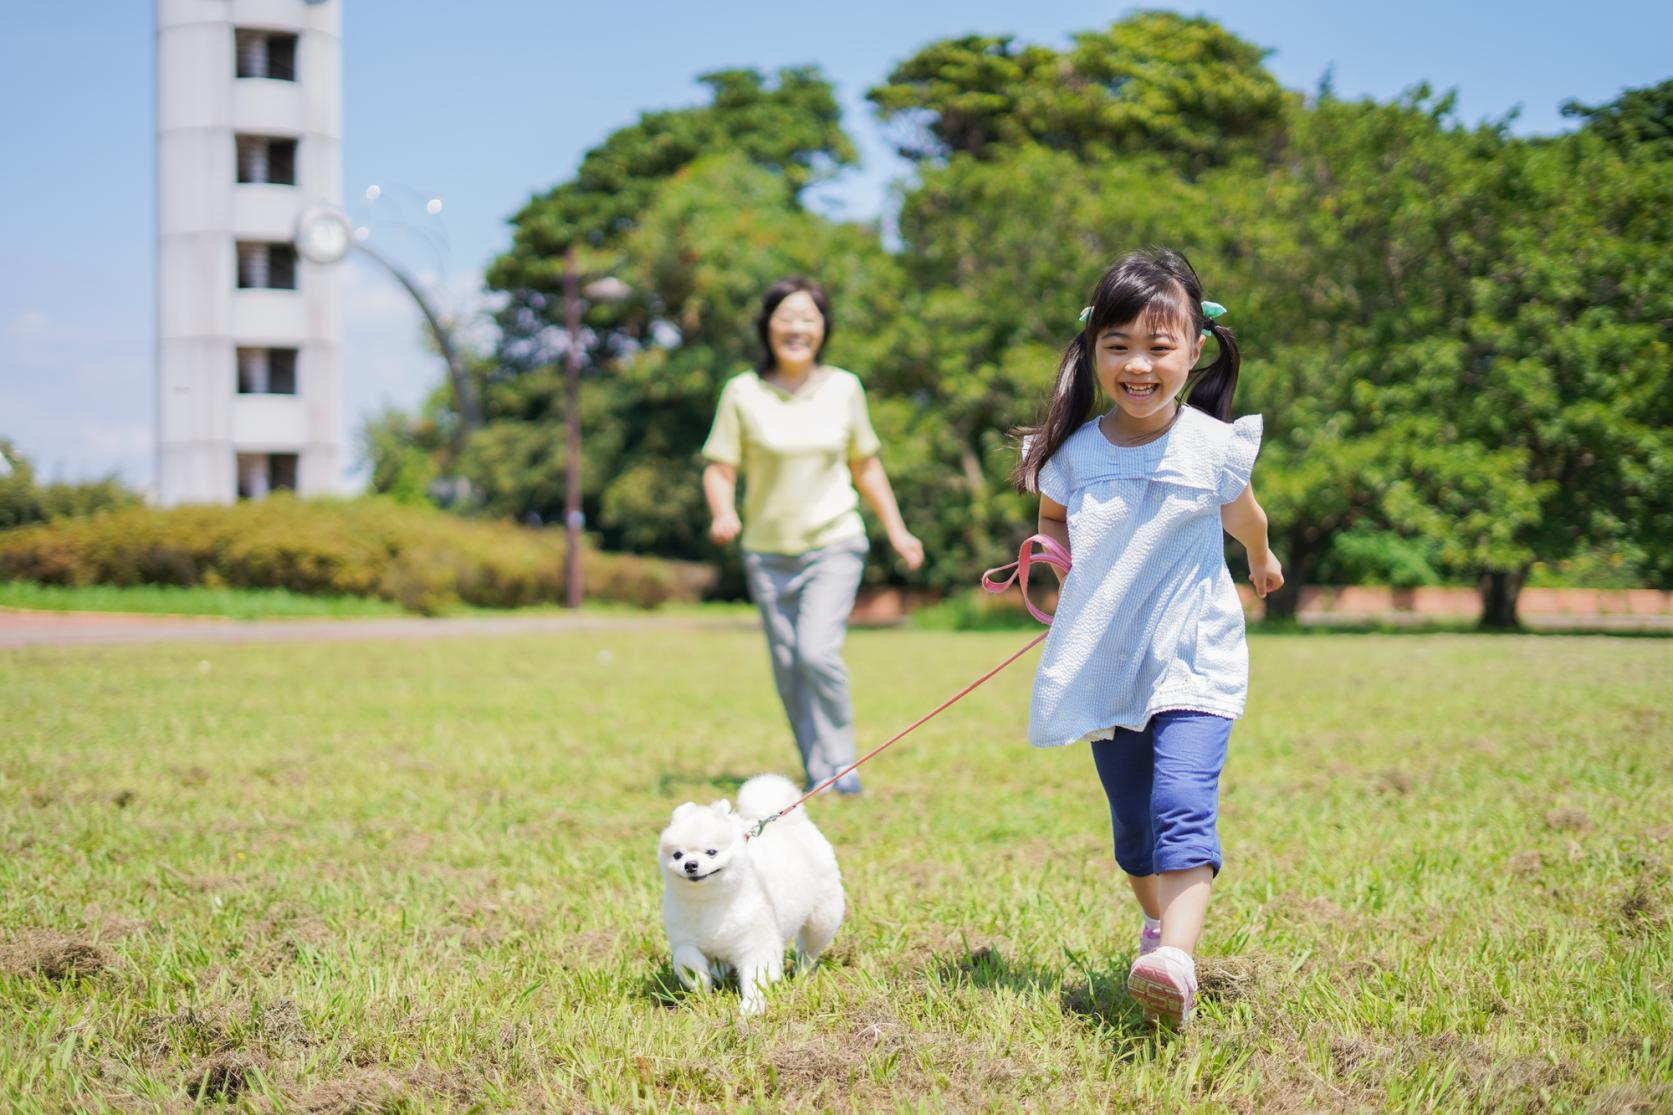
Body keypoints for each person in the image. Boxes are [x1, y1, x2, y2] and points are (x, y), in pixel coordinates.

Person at [1014, 249, 1283, 1027]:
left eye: (1159, 347)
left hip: (1194, 658)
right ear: (1092, 349)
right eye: (1118, 344)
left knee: (1179, 806)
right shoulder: (1072, 456)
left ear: (1194, 350)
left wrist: (1261, 561)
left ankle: (1175, 959)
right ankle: (1157, 923)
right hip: (1107, 663)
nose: (1138, 364)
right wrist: (1057, 569)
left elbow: (1247, 518)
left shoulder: (1209, 447)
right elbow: (1053, 520)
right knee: (1134, 831)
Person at [701, 277, 924, 796]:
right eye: (786, 317)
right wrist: (721, 513)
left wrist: (897, 530)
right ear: (767, 327)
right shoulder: (742, 392)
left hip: (834, 540)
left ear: (823, 329)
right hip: (767, 550)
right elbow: (719, 467)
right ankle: (817, 768)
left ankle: (842, 764)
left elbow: (865, 465)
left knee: (815, 652)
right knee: (787, 666)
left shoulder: (844, 387)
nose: (797, 327)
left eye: (808, 318)